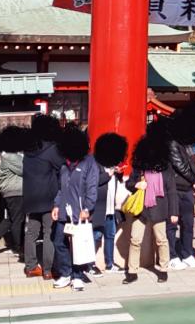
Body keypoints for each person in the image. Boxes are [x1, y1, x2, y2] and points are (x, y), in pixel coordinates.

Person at [123, 125, 178, 284]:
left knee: (161, 239)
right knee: (135, 239)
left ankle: (163, 268)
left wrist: (174, 212)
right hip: (141, 208)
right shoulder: (139, 167)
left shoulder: (165, 168)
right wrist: (137, 185)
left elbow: (172, 190)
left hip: (159, 207)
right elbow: (129, 184)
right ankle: (132, 271)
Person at [53, 126, 100, 290]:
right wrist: (56, 205)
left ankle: (77, 276)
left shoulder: (89, 163)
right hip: (63, 212)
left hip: (79, 212)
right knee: (59, 242)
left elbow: (92, 188)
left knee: (78, 245)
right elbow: (61, 188)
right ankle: (66, 274)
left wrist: (87, 208)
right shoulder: (64, 166)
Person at [21, 115, 66, 281]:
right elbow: (62, 168)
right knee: (49, 233)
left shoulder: (28, 150)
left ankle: (31, 267)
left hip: (30, 197)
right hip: (48, 197)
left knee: (31, 233)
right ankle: (49, 269)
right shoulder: (52, 149)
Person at [165, 110, 195, 270]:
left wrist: (193, 178)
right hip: (174, 187)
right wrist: (194, 180)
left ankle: (187, 253)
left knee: (188, 223)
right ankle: (172, 255)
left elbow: (193, 164)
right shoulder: (172, 142)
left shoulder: (187, 144)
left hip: (187, 187)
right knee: (172, 223)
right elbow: (179, 165)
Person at [92, 132, 129, 276]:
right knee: (95, 237)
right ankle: (90, 264)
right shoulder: (94, 163)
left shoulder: (111, 164)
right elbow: (95, 181)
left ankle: (110, 263)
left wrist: (118, 172)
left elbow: (117, 181)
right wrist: (110, 174)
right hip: (99, 207)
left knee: (110, 236)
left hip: (110, 208)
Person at [0, 125, 29, 260]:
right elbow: (23, 169)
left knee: (12, 219)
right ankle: (17, 246)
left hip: (13, 190)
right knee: (18, 220)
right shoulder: (10, 156)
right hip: (15, 191)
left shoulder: (10, 155)